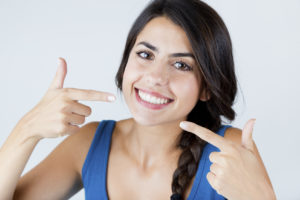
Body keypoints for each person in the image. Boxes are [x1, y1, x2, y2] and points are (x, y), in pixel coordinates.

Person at [0, 0, 277, 199]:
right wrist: (27, 130)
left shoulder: (229, 152)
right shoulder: (89, 144)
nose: (156, 77)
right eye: (145, 55)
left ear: (208, 87)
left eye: (181, 65)